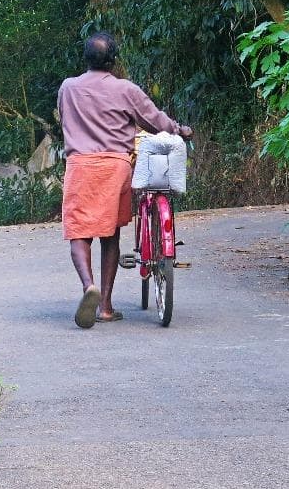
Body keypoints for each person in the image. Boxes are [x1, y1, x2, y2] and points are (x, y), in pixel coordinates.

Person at [57, 32, 192, 328]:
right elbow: (154, 120)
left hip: (79, 165)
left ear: (86, 58)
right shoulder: (125, 89)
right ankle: (104, 306)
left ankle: (87, 286)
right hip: (114, 167)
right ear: (113, 60)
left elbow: (65, 119)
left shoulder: (68, 88)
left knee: (78, 233)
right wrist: (179, 129)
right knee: (110, 234)